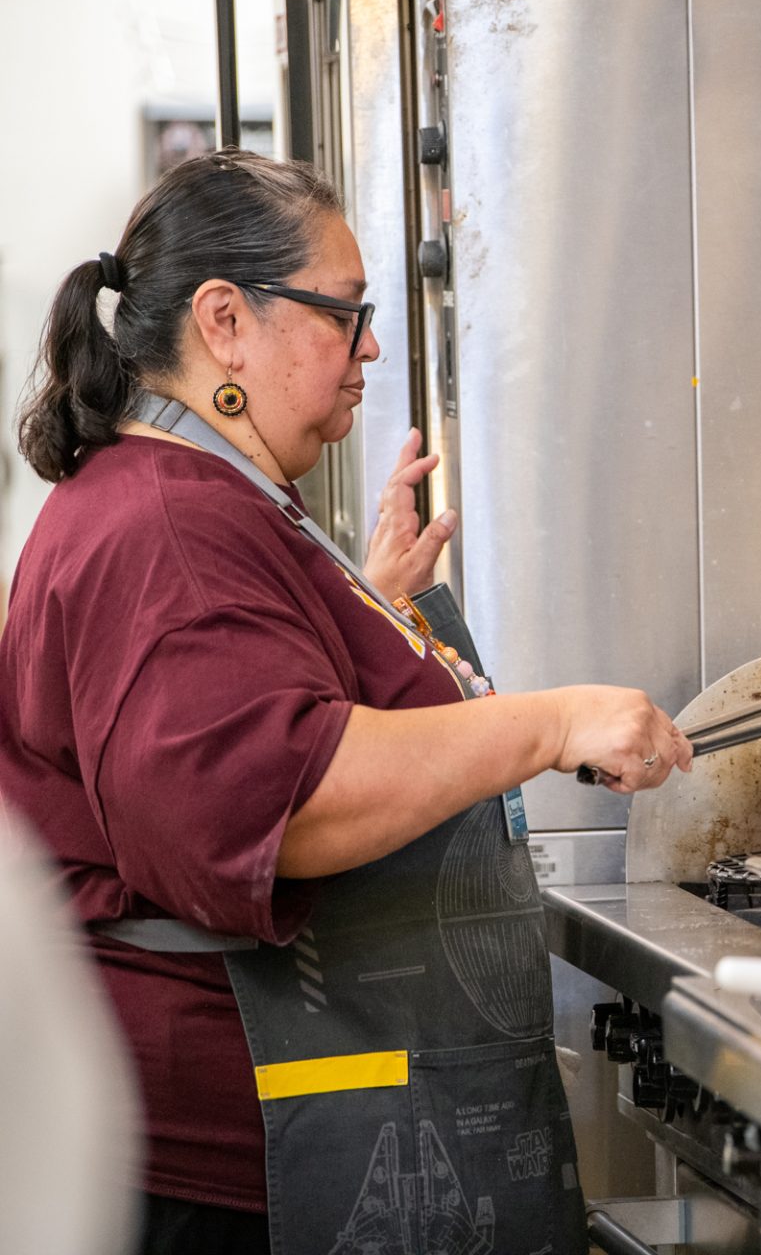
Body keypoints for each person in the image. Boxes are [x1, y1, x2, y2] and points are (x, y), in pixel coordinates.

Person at [0, 149, 694, 1255]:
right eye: (344, 313)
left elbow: (229, 693)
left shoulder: (194, 498)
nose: (371, 346)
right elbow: (267, 805)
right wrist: (551, 723)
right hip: (240, 1168)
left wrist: (360, 615)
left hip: (278, 1134)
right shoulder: (166, 526)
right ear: (225, 320)